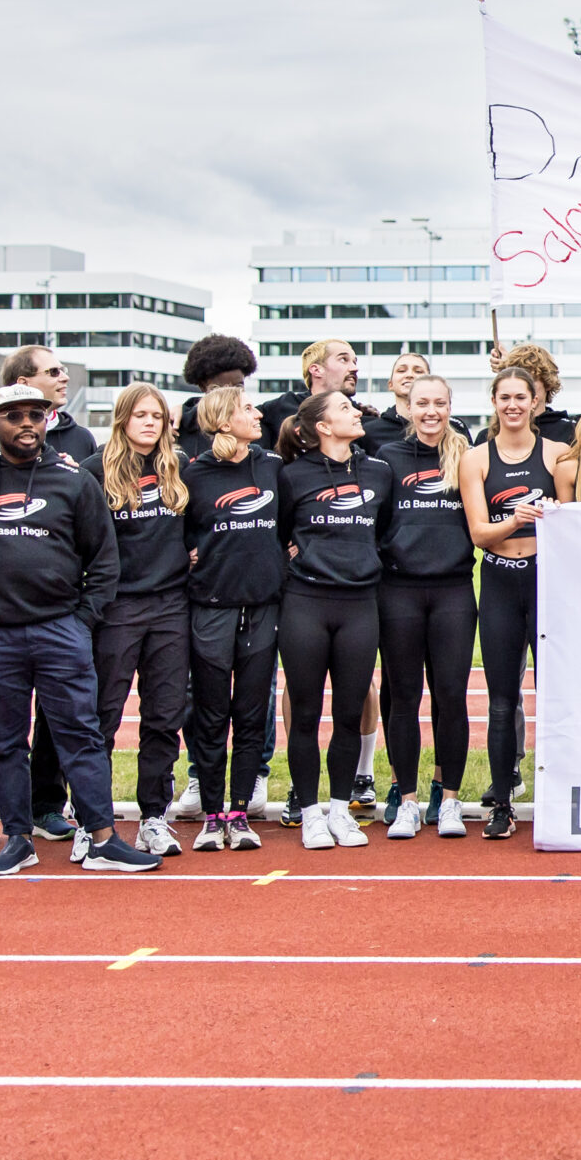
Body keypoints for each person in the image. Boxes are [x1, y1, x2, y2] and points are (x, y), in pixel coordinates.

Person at [0, 383, 160, 877]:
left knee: (82, 736)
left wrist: (80, 618)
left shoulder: (73, 481)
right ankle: (18, 839)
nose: (26, 422)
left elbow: (103, 559)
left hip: (59, 630)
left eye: (36, 414)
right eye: (13, 415)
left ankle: (104, 839)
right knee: (3, 743)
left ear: (48, 420)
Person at [0, 345, 98, 843]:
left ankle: (47, 804)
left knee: (62, 722)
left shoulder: (77, 441)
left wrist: (83, 616)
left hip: (57, 618)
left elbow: (96, 538)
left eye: (39, 412)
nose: (62, 378)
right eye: (51, 372)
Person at [276, 389, 394, 851]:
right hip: (306, 603)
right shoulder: (290, 476)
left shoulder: (379, 472)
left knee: (348, 714)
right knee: (304, 714)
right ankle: (309, 813)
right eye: (344, 407)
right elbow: (281, 533)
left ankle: (341, 810)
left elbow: (382, 532)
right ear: (322, 426)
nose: (356, 411)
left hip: (360, 605)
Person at [88, 383, 193, 858]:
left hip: (171, 607)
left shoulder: (181, 467)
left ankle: (154, 817)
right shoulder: (95, 471)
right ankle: (93, 823)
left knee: (163, 718)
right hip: (117, 611)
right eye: (141, 415)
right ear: (122, 419)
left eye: (158, 416)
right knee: (102, 718)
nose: (150, 423)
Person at [376, 374, 478, 840]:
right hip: (399, 592)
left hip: (454, 591)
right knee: (403, 699)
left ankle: (451, 800)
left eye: (439, 403)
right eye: (423, 403)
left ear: (450, 405)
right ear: (409, 408)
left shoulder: (467, 455)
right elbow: (370, 524)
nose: (431, 411)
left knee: (452, 698)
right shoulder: (387, 459)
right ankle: (408, 802)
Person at [181, 386, 280, 850]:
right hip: (211, 609)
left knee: (251, 714)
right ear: (223, 421)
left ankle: (239, 813)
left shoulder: (273, 467)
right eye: (246, 409)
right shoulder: (193, 475)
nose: (257, 413)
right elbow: (176, 534)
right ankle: (212, 813)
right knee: (210, 714)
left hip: (263, 608)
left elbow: (296, 522)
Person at [459, 365, 554, 838]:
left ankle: (558, 793)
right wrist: (516, 520)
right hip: (498, 579)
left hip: (546, 581)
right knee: (502, 700)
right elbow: (479, 534)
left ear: (536, 402)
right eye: (505, 397)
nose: (513, 405)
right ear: (494, 403)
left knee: (555, 696)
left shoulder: (558, 455)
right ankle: (501, 799)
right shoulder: (475, 459)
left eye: (522, 397)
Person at [259, 338, 364, 448]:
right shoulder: (283, 406)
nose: (354, 368)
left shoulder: (360, 414)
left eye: (354, 362)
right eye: (343, 359)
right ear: (316, 370)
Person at [176, 333, 257, 462]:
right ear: (203, 386)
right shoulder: (179, 427)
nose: (231, 395)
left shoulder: (257, 424)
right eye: (221, 388)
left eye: (238, 386)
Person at [500, 343, 578, 445]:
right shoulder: (490, 436)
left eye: (531, 381)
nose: (523, 389)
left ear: (548, 383)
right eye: (517, 381)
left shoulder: (572, 431)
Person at [359, 351, 432, 459]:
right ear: (390, 384)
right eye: (401, 370)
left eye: (418, 371)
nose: (409, 375)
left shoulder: (450, 428)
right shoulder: (369, 432)